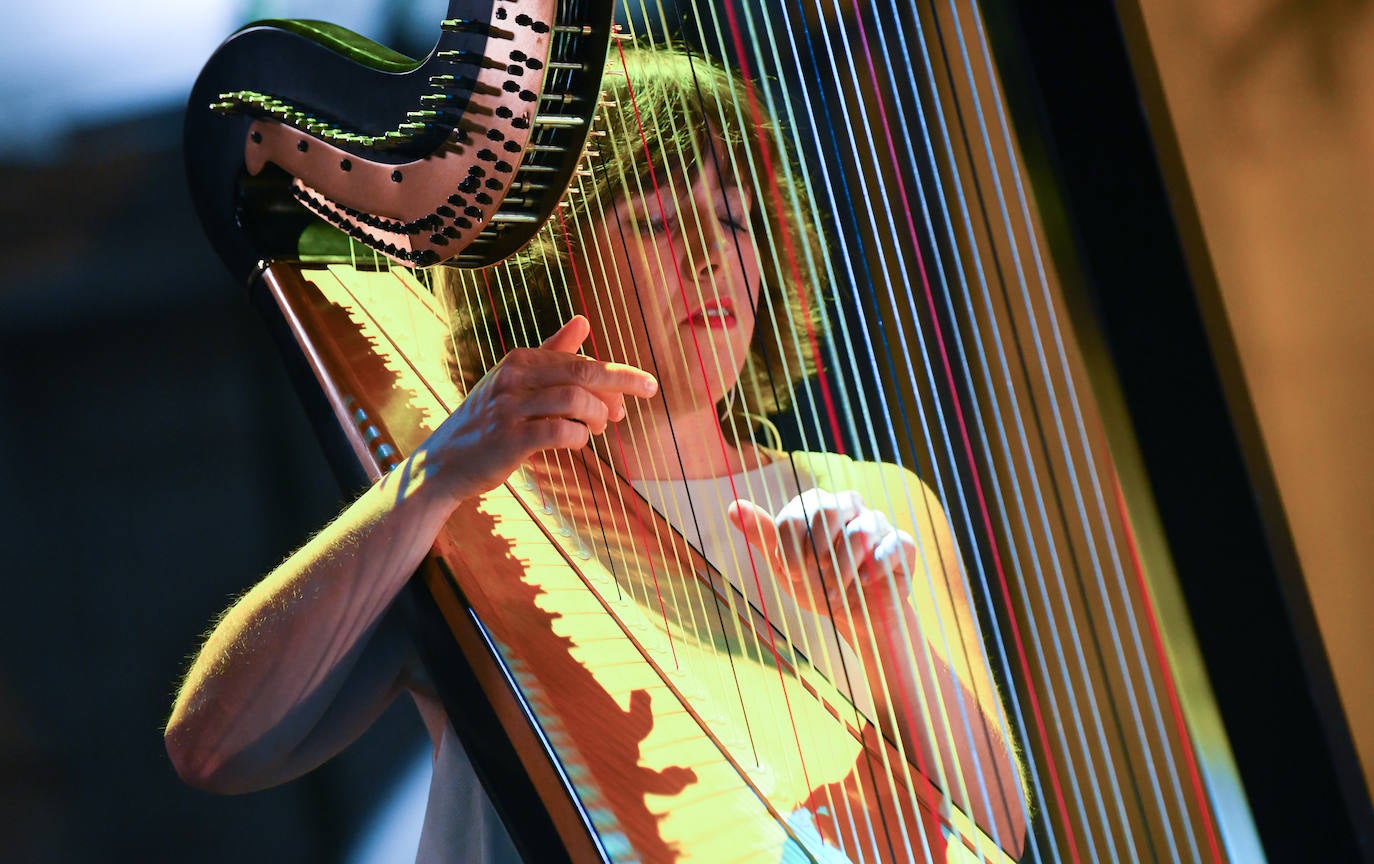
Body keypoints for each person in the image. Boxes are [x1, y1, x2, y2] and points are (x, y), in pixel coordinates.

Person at [167, 44, 1026, 863]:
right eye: (657, 221)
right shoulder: (478, 518)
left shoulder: (877, 504)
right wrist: (429, 483)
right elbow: (214, 747)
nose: (711, 255)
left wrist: (888, 630)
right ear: (546, 265)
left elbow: (997, 832)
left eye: (734, 216)